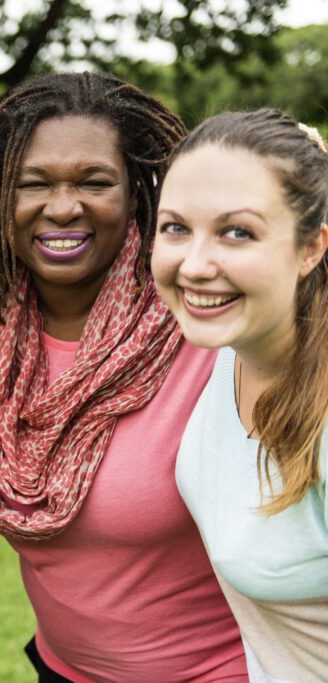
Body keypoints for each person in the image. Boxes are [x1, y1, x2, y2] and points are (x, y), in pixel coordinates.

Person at [0, 72, 248, 681]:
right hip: (63, 669)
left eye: (94, 182)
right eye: (32, 184)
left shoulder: (207, 330)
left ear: (139, 191)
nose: (62, 207)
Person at [152, 108, 328, 680]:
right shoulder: (227, 346)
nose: (195, 265)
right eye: (175, 227)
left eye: (238, 232)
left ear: (310, 248)